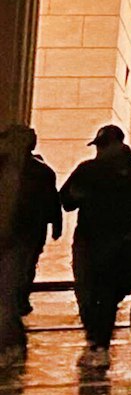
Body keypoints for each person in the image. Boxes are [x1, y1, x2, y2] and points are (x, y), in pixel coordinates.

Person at [60, 125, 131, 361]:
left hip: (95, 240)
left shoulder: (90, 170)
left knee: (91, 289)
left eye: (101, 146)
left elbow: (67, 199)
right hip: (117, 240)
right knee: (106, 292)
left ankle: (97, 339)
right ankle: (98, 340)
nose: (99, 151)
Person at [0, 124, 63, 366]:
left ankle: (11, 343)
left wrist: (55, 225)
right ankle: (12, 342)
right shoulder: (36, 171)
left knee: (8, 294)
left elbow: (51, 202)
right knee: (9, 294)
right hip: (21, 237)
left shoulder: (39, 173)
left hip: (21, 238)